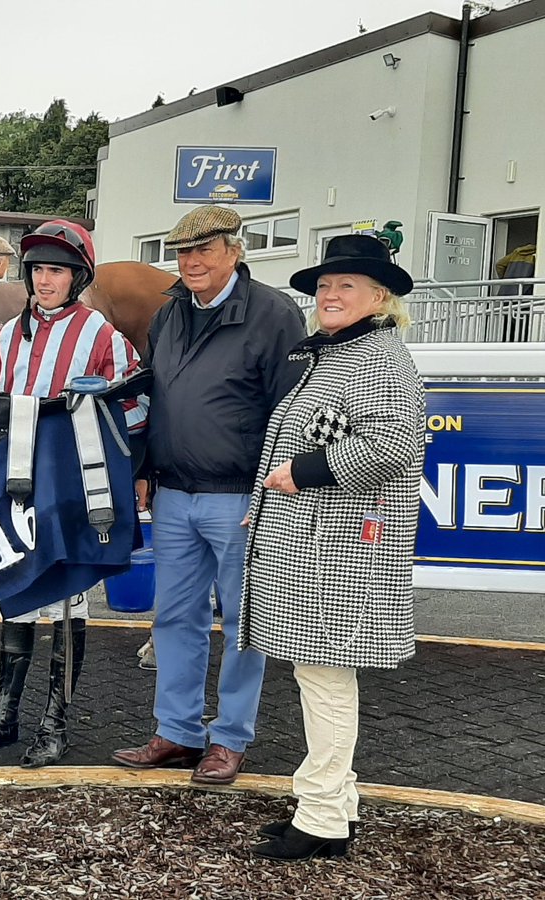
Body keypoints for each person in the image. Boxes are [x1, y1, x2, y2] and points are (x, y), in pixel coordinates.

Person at [111, 205, 306, 785]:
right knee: (173, 618)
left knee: (247, 623)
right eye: (183, 252)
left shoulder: (273, 313)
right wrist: (144, 465)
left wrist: (269, 490)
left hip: (240, 497)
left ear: (234, 251)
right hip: (174, 492)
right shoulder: (171, 311)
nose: (191, 262)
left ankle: (230, 738)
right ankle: (177, 732)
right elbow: (155, 392)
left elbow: (292, 409)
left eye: (204, 250)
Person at [246, 235, 425, 861]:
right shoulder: (332, 352)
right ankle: (334, 806)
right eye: (324, 285)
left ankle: (321, 818)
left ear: (380, 298)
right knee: (319, 678)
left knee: (324, 683)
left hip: (340, 550)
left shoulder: (379, 358)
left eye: (345, 285)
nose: (329, 294)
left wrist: (304, 473)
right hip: (315, 546)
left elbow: (394, 446)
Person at [0, 219, 147, 768]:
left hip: (72, 484)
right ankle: (4, 717)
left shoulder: (102, 335)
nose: (44, 280)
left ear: (77, 276)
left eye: (55, 271)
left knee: (66, 598)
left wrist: (95, 411)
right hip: (18, 485)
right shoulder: (5, 336)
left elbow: (136, 408)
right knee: (18, 593)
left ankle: (55, 722)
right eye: (37, 269)